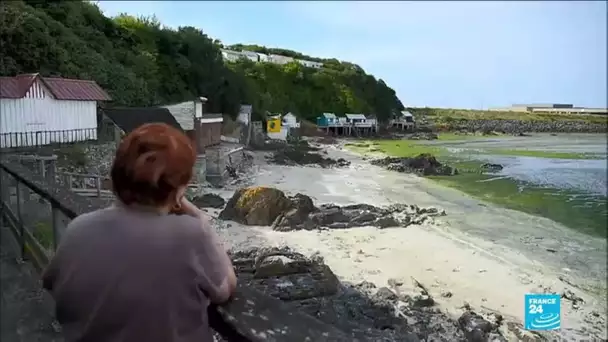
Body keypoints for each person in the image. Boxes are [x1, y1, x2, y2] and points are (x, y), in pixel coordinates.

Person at [41, 123, 237, 342]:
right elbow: (225, 287)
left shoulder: (78, 228)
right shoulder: (190, 234)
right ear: (179, 189)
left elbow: (50, 282)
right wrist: (201, 220)